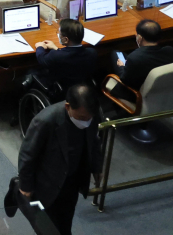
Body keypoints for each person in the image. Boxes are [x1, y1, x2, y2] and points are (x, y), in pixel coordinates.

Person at [15, 84, 103, 235]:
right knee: (47, 229)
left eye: (89, 118)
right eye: (82, 118)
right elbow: (27, 155)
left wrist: (96, 167)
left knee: (65, 223)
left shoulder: (92, 114)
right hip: (46, 186)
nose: (86, 122)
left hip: (71, 183)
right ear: (68, 106)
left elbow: (94, 142)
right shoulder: (45, 120)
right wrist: (26, 186)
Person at [112, 20, 173, 93]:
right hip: (167, 90)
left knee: (115, 53)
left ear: (139, 37)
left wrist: (121, 66)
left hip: (138, 94)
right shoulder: (170, 51)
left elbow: (124, 80)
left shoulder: (134, 58)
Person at [33, 19, 100, 93]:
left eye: (59, 33)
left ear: (65, 40)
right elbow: (68, 54)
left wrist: (39, 47)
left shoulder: (56, 56)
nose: (59, 35)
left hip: (60, 89)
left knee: (31, 72)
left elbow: (42, 58)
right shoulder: (92, 53)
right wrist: (56, 48)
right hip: (81, 87)